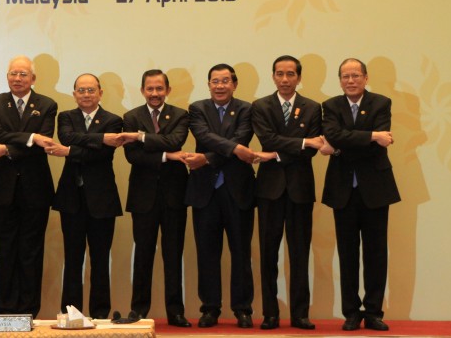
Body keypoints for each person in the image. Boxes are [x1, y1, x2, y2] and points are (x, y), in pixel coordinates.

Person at [320, 58, 400, 332]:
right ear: (340, 80)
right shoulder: (330, 106)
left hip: (375, 189)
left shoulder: (381, 102)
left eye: (355, 75)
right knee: (347, 253)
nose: (350, 80)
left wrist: (342, 145)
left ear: (366, 78)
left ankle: (374, 311)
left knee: (376, 252)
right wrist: (372, 135)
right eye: (345, 76)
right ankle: (351, 312)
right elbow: (333, 135)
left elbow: (375, 146)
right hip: (343, 189)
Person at [251, 56, 323, 330]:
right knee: (268, 253)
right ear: (273, 76)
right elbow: (267, 139)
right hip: (269, 191)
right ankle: (270, 313)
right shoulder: (261, 106)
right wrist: (302, 141)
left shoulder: (313, 108)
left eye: (290, 74)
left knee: (300, 253)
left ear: (299, 77)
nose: (285, 79)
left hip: (300, 190)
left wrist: (274, 155)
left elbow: (313, 150)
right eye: (279, 73)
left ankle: (300, 313)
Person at [0, 56, 58, 316]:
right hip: (1, 188)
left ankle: (28, 310)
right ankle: (3, 308)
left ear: (33, 79)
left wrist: (7, 149)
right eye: (13, 73)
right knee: (3, 249)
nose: (18, 78)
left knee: (31, 251)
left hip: (35, 188)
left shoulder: (47, 104)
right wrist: (31, 137)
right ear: (7, 77)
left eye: (23, 74)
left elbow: (44, 144)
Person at [46, 73, 124, 318]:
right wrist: (99, 139)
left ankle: (100, 313)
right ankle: (71, 312)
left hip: (102, 200)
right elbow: (67, 137)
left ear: (100, 93)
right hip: (72, 200)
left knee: (100, 261)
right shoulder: (66, 117)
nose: (86, 95)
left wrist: (69, 152)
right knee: (72, 259)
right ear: (74, 94)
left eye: (91, 90)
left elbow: (102, 155)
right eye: (81, 90)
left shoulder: (113, 120)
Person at [183, 63, 255, 329]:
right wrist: (235, 149)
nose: (220, 85)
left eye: (225, 81)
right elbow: (204, 136)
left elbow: (243, 135)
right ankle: (210, 308)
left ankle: (242, 308)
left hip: (239, 191)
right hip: (205, 192)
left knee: (241, 252)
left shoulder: (247, 109)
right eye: (215, 81)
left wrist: (207, 158)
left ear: (234, 84)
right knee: (207, 253)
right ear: (209, 84)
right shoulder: (197, 108)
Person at [120, 70, 190, 327]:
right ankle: (138, 309)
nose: (155, 93)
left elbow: (175, 140)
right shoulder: (131, 117)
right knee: (143, 254)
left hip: (175, 195)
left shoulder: (182, 114)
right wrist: (167, 156)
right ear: (142, 91)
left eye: (159, 88)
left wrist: (140, 137)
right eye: (150, 89)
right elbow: (132, 157)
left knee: (173, 254)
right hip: (143, 196)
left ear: (168, 90)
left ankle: (175, 311)